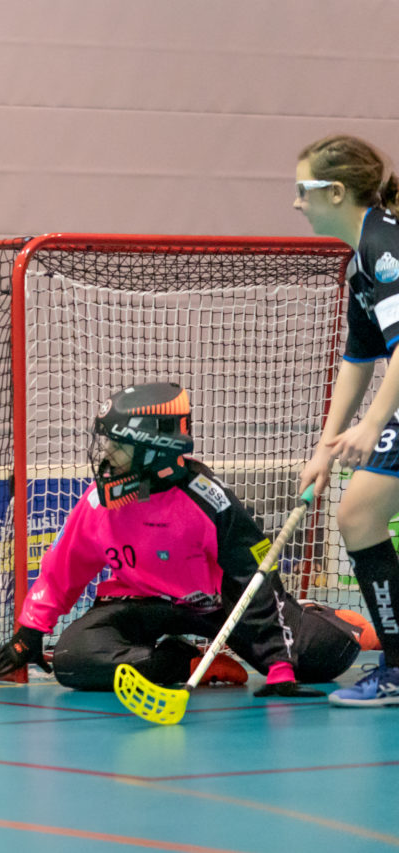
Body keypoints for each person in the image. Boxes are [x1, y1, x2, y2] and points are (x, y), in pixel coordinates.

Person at [0, 382, 363, 696]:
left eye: (117, 449)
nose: (105, 460)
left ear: (152, 452)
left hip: (217, 607)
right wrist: (31, 632)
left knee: (327, 657)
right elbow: (63, 570)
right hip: (136, 602)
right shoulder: (96, 503)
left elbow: (255, 577)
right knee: (74, 664)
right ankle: (183, 660)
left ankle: (320, 615)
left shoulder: (209, 503)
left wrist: (281, 667)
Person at [295, 134, 399, 707]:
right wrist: (327, 445)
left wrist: (372, 424)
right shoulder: (360, 259)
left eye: (302, 190)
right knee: (359, 515)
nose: (295, 203)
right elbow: (360, 357)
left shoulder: (387, 246)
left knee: (360, 514)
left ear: (335, 191)